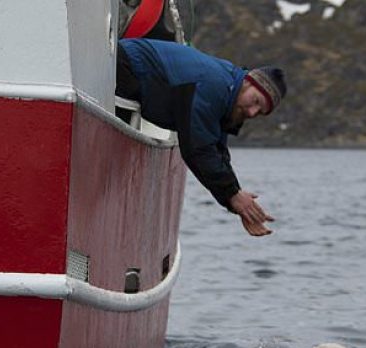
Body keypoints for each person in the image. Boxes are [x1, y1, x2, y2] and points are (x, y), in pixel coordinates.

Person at [116, 38, 287, 237]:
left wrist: (237, 198)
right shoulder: (213, 84)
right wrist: (233, 196)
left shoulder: (228, 95)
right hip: (124, 65)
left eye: (260, 112)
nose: (252, 112)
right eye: (255, 101)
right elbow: (198, 148)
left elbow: (216, 151)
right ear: (248, 82)